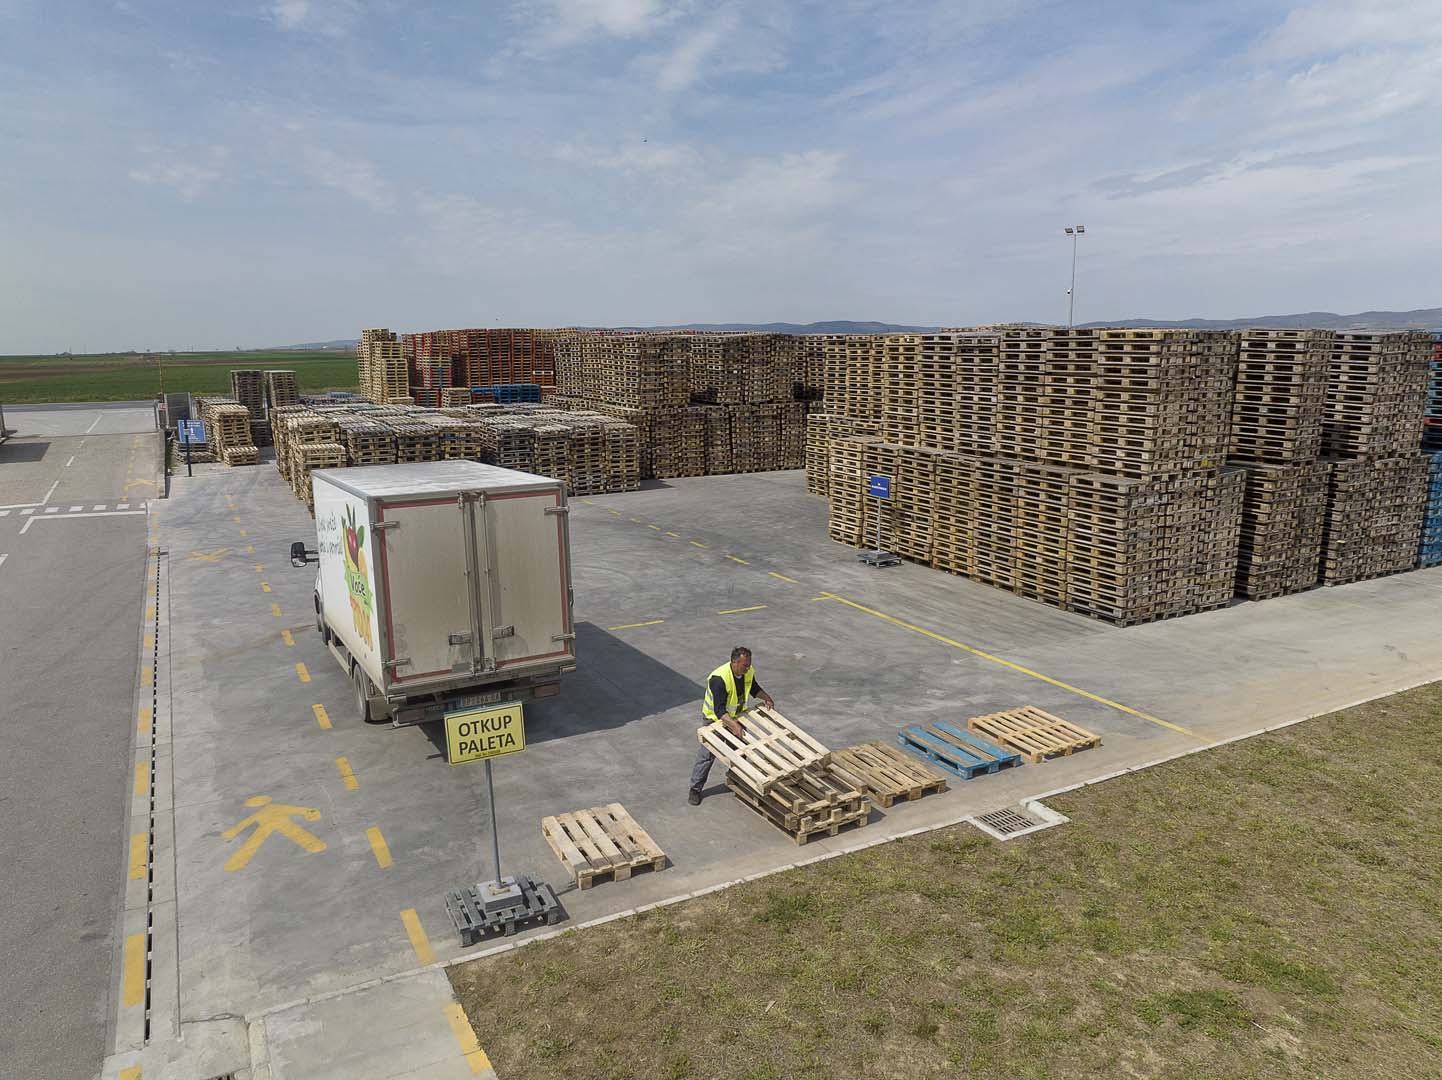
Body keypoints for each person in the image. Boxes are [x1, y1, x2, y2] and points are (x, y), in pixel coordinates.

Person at [689, 645, 774, 805]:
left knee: (741, 750)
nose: (747, 668)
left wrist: (766, 697)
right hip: (714, 720)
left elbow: (754, 688)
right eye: (745, 665)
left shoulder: (748, 672)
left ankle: (735, 779)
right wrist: (734, 725)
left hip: (736, 716)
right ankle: (695, 789)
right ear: (734, 663)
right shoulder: (719, 679)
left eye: (749, 665)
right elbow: (719, 710)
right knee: (707, 755)